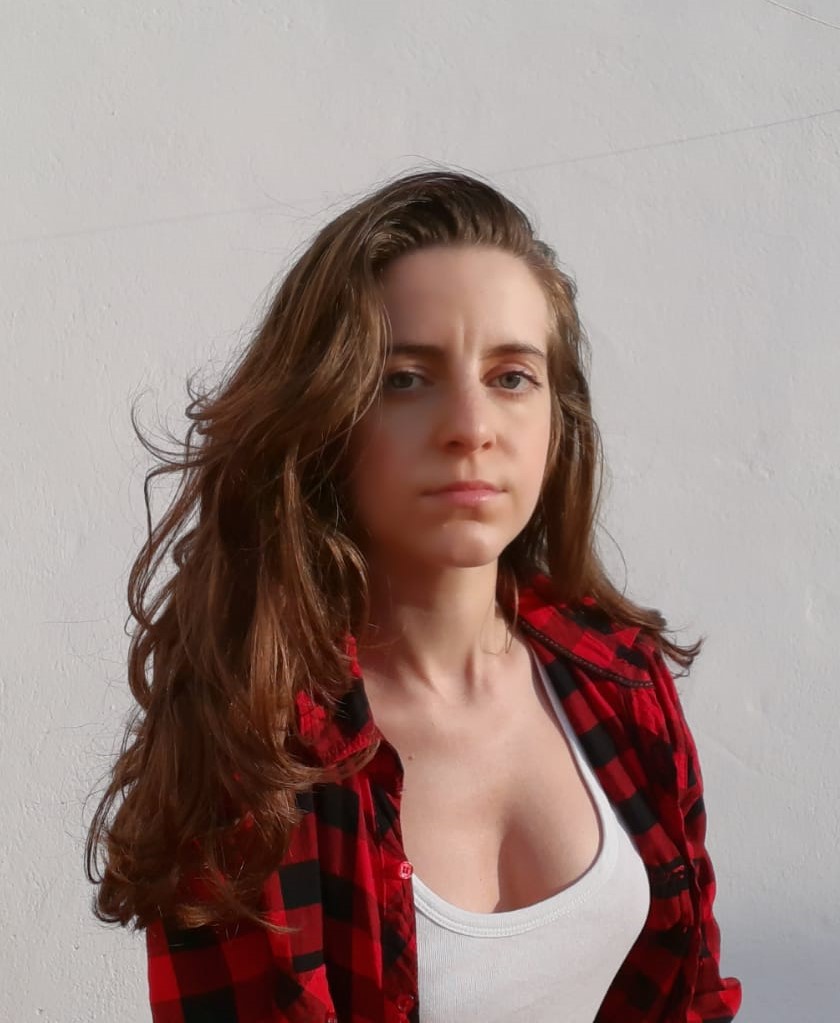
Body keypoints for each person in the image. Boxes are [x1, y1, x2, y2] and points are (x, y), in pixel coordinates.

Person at [85, 168, 742, 1022]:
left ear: (558, 418)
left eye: (512, 376)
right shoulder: (259, 747)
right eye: (405, 377)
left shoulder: (621, 681)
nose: (470, 427)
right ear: (328, 415)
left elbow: (692, 996)